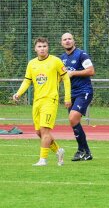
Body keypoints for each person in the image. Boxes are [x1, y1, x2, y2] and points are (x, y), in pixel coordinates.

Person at [12, 37, 71, 166]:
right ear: (35, 49)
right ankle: (58, 151)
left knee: (45, 130)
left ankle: (42, 160)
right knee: (39, 132)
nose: (42, 48)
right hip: (37, 101)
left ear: (48, 47)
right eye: (39, 46)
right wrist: (18, 93)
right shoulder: (32, 63)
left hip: (50, 100)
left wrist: (67, 97)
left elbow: (66, 79)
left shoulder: (56, 61)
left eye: (44, 46)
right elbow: (27, 80)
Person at [60, 33, 95, 161]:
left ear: (73, 41)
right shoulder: (62, 58)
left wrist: (73, 73)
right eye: (65, 39)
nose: (67, 41)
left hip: (84, 91)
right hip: (71, 94)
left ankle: (82, 150)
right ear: (61, 43)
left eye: (69, 39)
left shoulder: (81, 54)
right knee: (73, 121)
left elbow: (91, 71)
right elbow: (62, 76)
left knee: (73, 118)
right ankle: (85, 152)